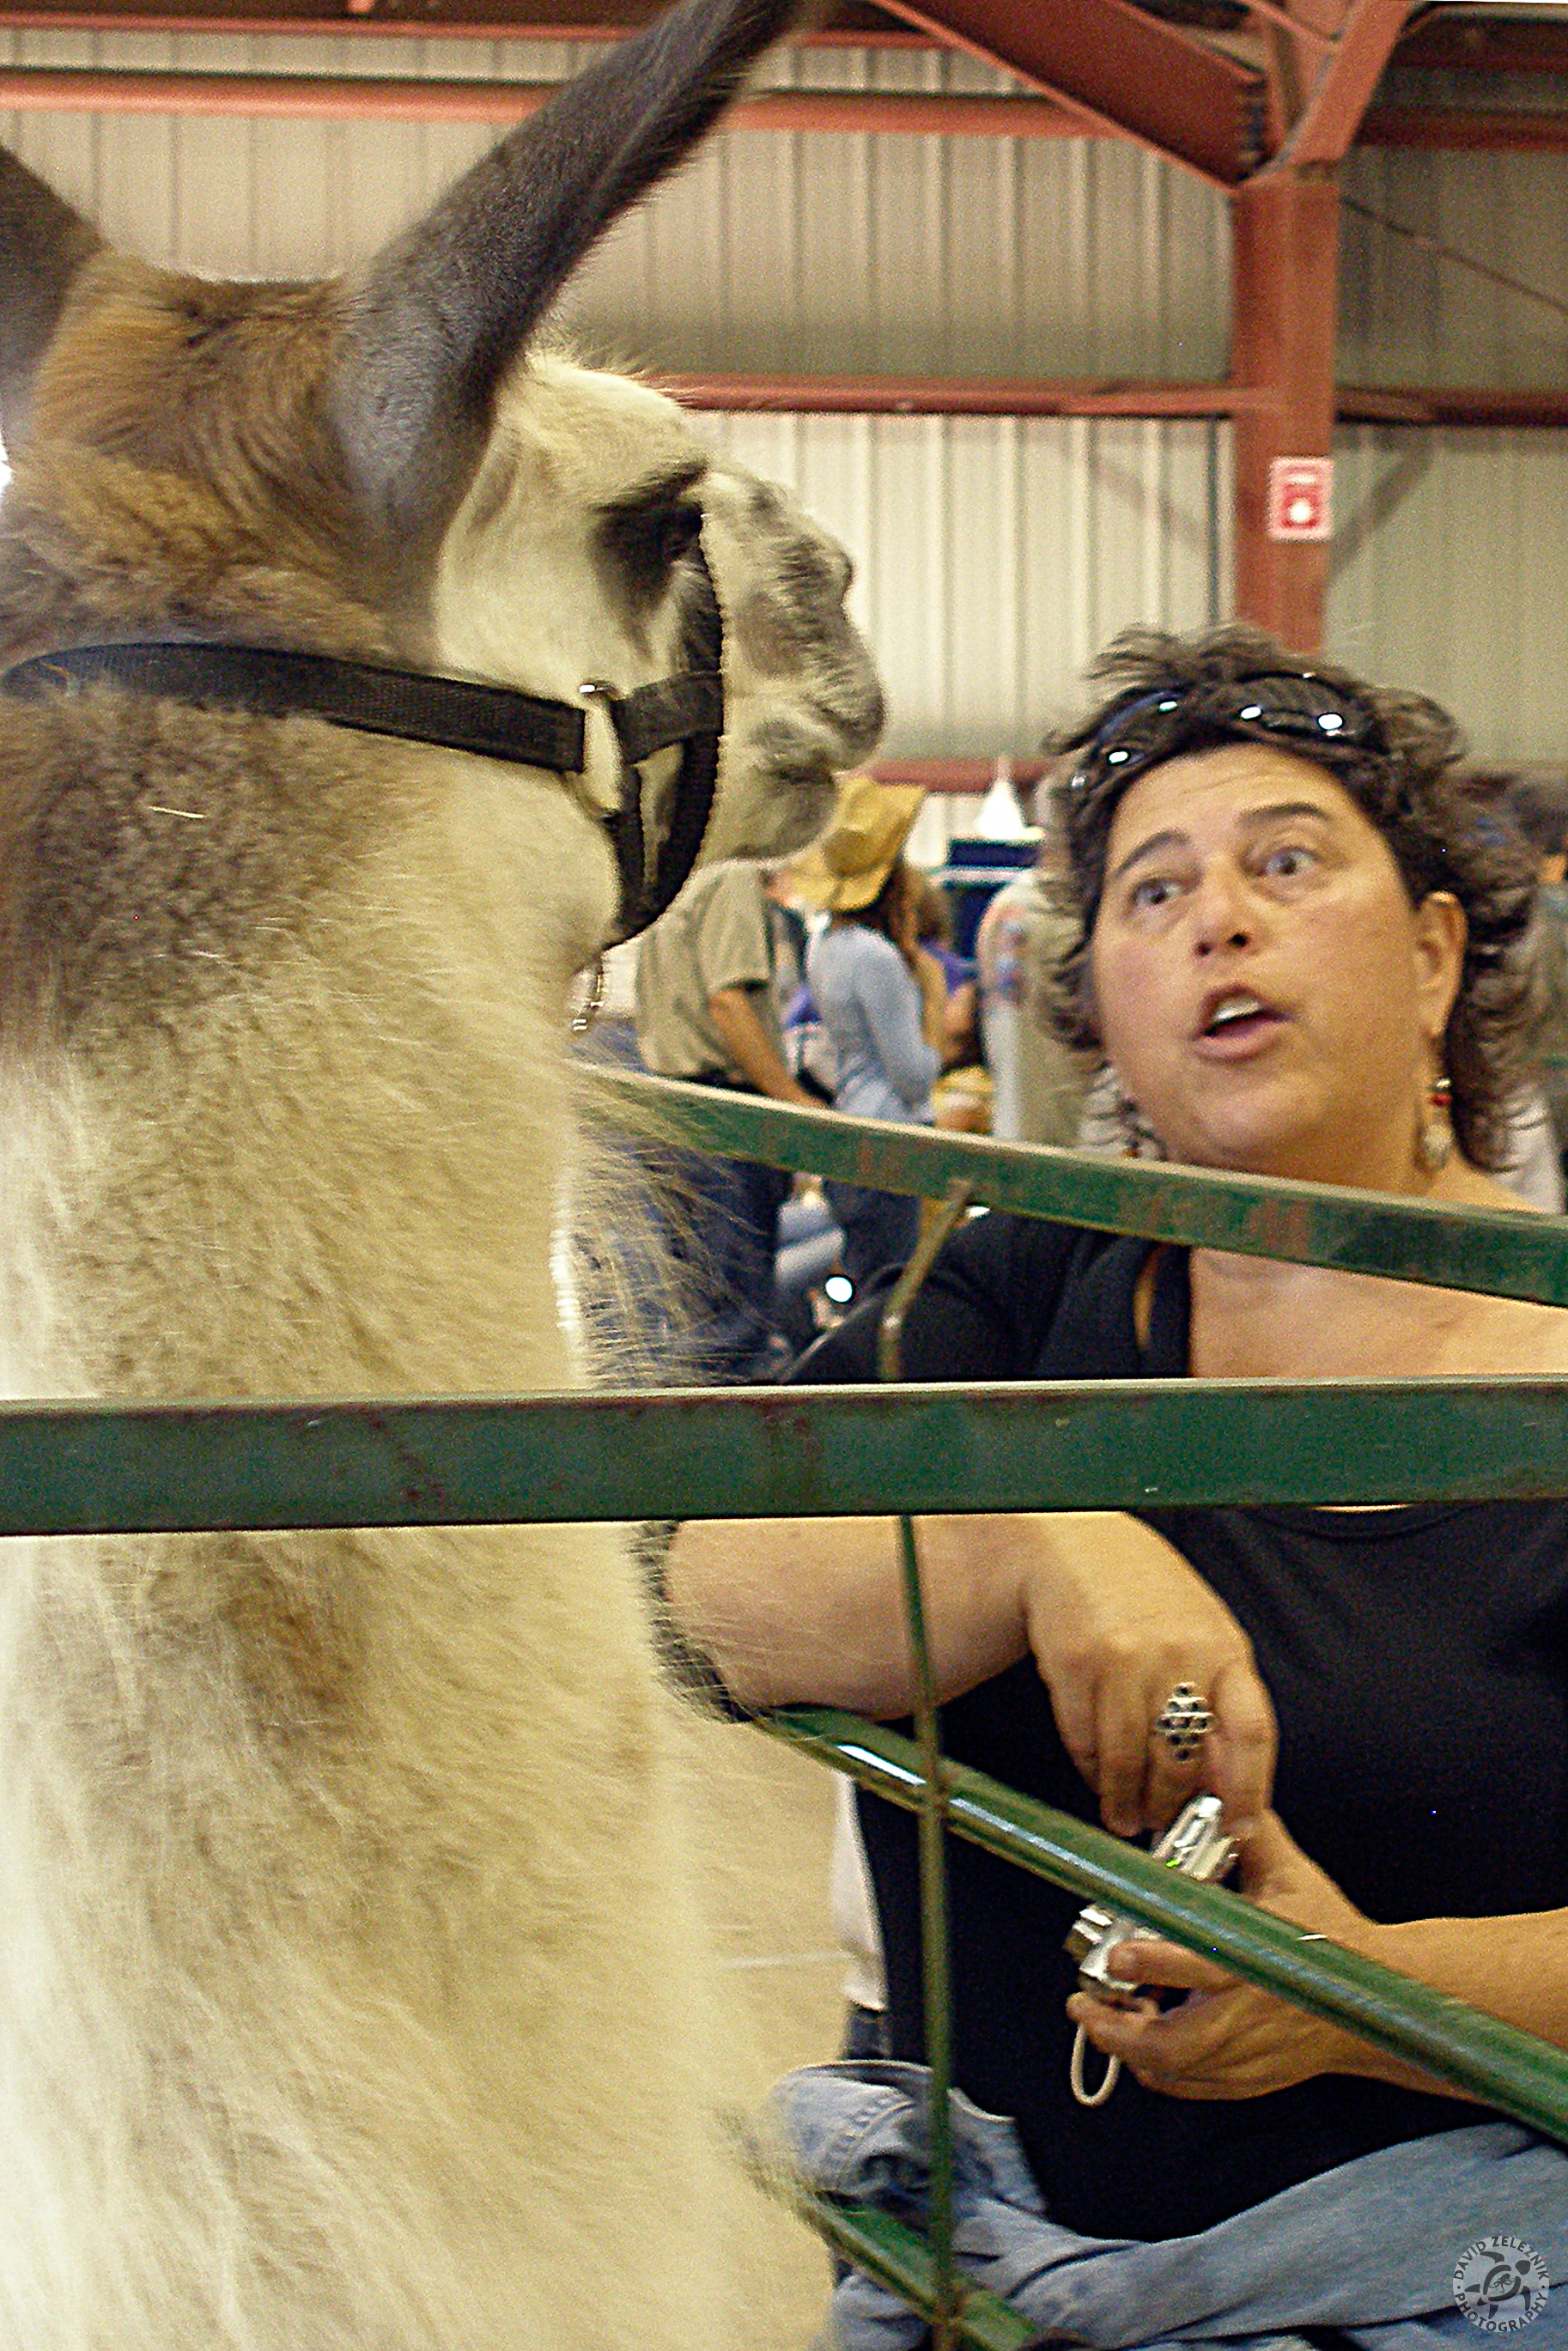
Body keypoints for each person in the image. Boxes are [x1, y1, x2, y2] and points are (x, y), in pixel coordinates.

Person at [665, 627, 1568, 2271]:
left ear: (1435, 955)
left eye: (1286, 861)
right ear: (1107, 1014)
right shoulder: (1012, 1281)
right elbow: (694, 1581)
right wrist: (1023, 1546)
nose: (1217, 914)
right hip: (987, 2265)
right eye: (1152, 892)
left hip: (1466, 2277)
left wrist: (1363, 1998)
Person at [632, 854, 817, 1381]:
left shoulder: (674, 874)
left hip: (672, 1111)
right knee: (733, 1343)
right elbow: (728, 1003)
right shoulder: (731, 876)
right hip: (723, 1121)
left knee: (695, 1328)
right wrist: (791, 1100)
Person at [791, 775, 945, 1288]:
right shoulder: (875, 957)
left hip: (852, 1125)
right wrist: (935, 996)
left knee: (864, 1275)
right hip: (890, 1141)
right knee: (887, 1287)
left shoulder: (824, 945)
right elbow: (914, 1074)